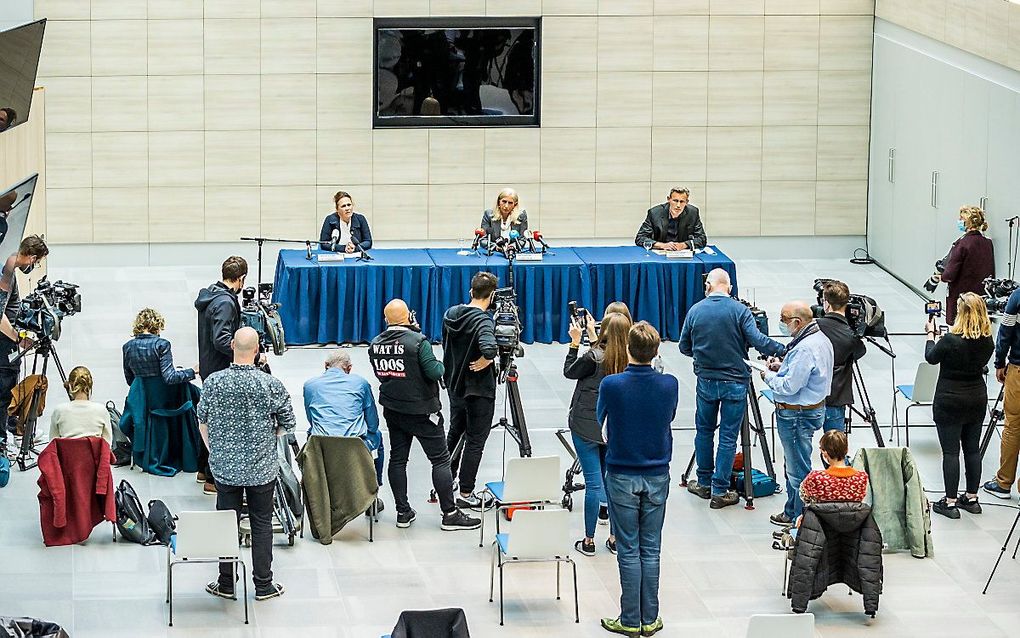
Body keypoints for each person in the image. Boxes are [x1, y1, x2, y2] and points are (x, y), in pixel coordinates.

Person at [198, 327, 294, 602]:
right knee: (261, 523)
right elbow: (288, 423)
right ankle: (263, 585)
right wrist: (268, 437)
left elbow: (202, 421)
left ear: (231, 347)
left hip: (225, 468)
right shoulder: (269, 384)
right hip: (261, 468)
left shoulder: (214, 383)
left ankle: (226, 583)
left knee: (225, 524)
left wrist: (214, 450)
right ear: (257, 350)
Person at [368, 299, 480, 531]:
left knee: (398, 459)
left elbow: (382, 374)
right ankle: (449, 513)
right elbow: (435, 371)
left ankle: (402, 512)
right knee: (440, 459)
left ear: (386, 319)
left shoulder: (375, 343)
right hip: (423, 412)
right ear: (409, 316)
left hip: (394, 410)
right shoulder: (418, 342)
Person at [679, 269, 785, 509]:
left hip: (706, 381)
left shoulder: (695, 311)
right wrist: (784, 350)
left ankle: (703, 482)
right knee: (728, 437)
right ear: (728, 286)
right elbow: (759, 341)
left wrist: (702, 356)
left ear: (708, 286)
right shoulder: (740, 311)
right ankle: (719, 490)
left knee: (704, 431)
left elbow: (684, 346)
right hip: (735, 382)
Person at [597, 322, 677, 638]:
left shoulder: (612, 384)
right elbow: (668, 416)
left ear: (628, 349)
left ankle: (630, 618)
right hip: (657, 472)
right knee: (652, 548)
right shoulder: (669, 384)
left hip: (621, 472)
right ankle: (650, 617)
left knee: (628, 549)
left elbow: (599, 420)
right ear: (657, 351)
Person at [760, 301, 833, 528]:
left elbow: (790, 387)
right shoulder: (820, 339)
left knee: (797, 470)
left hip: (796, 415)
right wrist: (782, 366)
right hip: (811, 409)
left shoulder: (804, 348)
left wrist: (767, 376)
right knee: (794, 463)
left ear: (797, 322)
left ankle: (803, 520)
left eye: (783, 319)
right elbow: (805, 372)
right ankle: (792, 510)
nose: (781, 324)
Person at [564, 311, 630, 556]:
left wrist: (573, 343)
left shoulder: (594, 356)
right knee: (611, 482)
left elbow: (570, 371)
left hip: (585, 425)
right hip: (613, 428)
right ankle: (614, 538)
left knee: (593, 483)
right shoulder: (630, 361)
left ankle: (588, 540)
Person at [923, 293, 993, 518]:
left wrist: (931, 335)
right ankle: (972, 498)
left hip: (949, 401)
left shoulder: (950, 341)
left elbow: (931, 357)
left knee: (951, 452)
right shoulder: (987, 340)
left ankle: (950, 502)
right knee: (972, 450)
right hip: (976, 399)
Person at [442, 271, 499, 510]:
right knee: (475, 441)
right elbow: (489, 347)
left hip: (454, 385)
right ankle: (466, 492)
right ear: (492, 295)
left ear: (471, 292)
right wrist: (488, 358)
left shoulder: (451, 314)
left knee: (455, 433)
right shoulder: (484, 321)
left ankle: (444, 482)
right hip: (478, 392)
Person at [194, 255, 249, 495]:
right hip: (220, 369)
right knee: (219, 424)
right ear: (241, 279)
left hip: (209, 367)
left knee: (209, 419)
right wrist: (247, 352)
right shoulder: (226, 303)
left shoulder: (211, 294)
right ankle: (213, 479)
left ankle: (203, 470)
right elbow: (221, 339)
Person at [303, 350, 385, 499]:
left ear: (326, 365)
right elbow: (372, 422)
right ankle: (373, 493)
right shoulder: (360, 383)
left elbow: (311, 419)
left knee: (311, 433)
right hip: (354, 449)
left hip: (321, 449)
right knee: (377, 435)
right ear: (349, 368)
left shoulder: (310, 386)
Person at [0, 236, 44, 447]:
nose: (33, 267)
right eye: (36, 263)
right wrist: (19, 339)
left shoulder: (10, 266)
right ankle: (4, 441)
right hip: (3, 345)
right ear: (33, 258)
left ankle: (10, 429)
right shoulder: (7, 270)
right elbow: (0, 316)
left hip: (7, 342)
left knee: (8, 390)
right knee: (4, 394)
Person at [814, 281, 867, 433]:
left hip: (810, 395)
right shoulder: (850, 334)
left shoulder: (813, 327)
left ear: (826, 303)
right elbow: (859, 352)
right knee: (835, 449)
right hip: (836, 397)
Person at [987, 284, 1020, 501]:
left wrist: (999, 362)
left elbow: (1005, 332)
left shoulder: (1017, 297)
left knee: (1012, 426)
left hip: (1018, 370)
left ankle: (1003, 482)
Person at [939, 206, 994, 324]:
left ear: (967, 222)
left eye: (960, 219)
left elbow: (949, 274)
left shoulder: (963, 244)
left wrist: (941, 277)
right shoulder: (987, 243)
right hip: (980, 297)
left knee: (960, 327)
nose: (958, 221)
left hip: (963, 297)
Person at [122, 308, 198, 387]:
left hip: (139, 396)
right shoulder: (161, 344)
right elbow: (170, 377)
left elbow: (130, 380)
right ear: (157, 325)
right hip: (160, 394)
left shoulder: (127, 347)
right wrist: (192, 371)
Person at [49, 366, 112, 443]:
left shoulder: (59, 411)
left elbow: (52, 445)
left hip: (68, 454)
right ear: (90, 386)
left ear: (69, 385)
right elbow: (107, 445)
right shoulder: (101, 411)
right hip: (94, 455)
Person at [635, 187, 707, 251]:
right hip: (660, 253)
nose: (678, 205)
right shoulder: (654, 213)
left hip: (682, 253)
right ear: (669, 199)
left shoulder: (693, 213)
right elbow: (640, 238)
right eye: (675, 201)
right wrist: (662, 245)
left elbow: (702, 239)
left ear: (687, 202)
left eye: (682, 202)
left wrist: (684, 245)